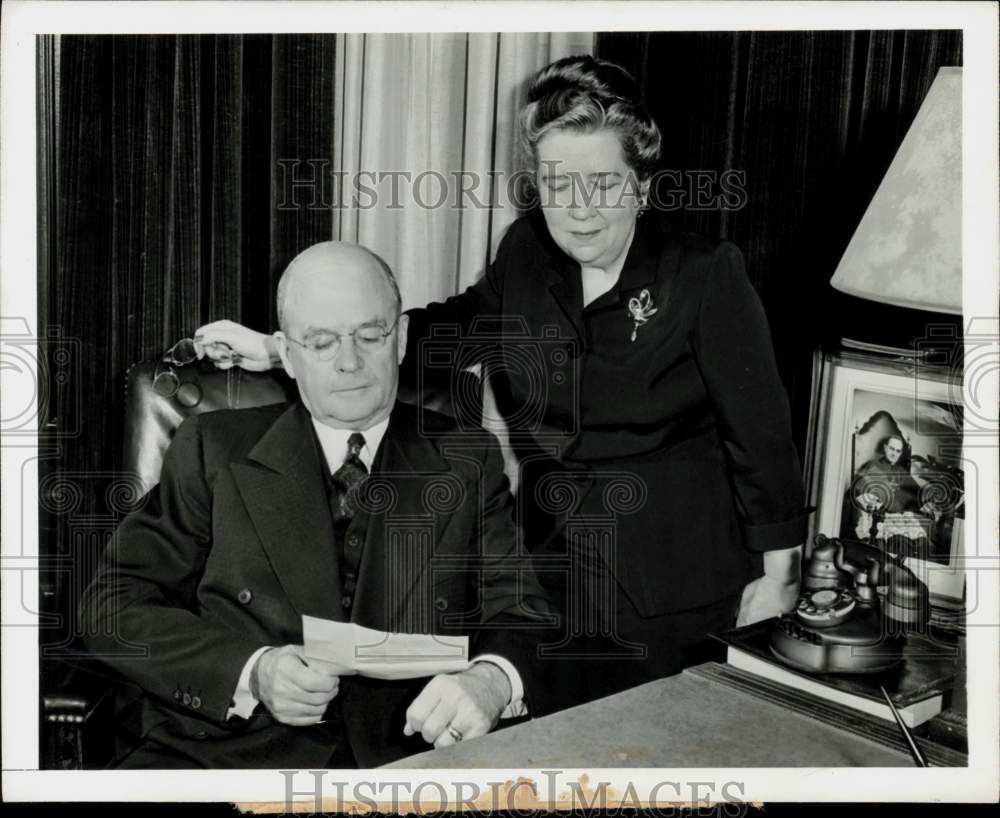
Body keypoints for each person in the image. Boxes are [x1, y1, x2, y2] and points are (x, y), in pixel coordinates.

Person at [195, 55, 807, 708]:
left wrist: (778, 585)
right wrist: (285, 348)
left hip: (675, 588)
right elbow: (450, 331)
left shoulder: (705, 274)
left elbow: (762, 441)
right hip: (549, 571)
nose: (578, 209)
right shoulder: (526, 252)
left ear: (641, 186)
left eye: (601, 182)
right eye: (556, 182)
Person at [80, 242, 552, 768]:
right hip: (229, 755)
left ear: (399, 340)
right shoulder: (211, 448)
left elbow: (522, 612)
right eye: (322, 342)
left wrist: (491, 681)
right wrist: (252, 670)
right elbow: (113, 606)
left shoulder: (467, 458)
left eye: (370, 336)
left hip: (412, 758)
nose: (350, 362)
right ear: (287, 351)